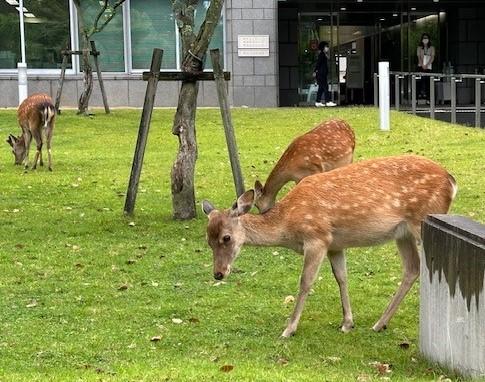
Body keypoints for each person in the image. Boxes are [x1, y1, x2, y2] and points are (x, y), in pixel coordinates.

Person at [313, 41, 336, 107]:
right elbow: (318, 63)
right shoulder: (322, 54)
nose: (327, 48)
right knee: (325, 87)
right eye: (326, 46)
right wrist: (315, 71)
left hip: (321, 74)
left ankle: (318, 101)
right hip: (321, 74)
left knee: (321, 88)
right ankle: (327, 101)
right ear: (323, 47)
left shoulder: (323, 54)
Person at [417, 33, 435, 100]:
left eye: (426, 38)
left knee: (428, 83)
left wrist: (427, 65)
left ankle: (428, 98)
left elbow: (432, 57)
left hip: (428, 67)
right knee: (419, 82)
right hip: (420, 66)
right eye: (424, 38)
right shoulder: (419, 48)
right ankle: (418, 97)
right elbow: (419, 57)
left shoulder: (432, 48)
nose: (425, 39)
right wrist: (422, 65)